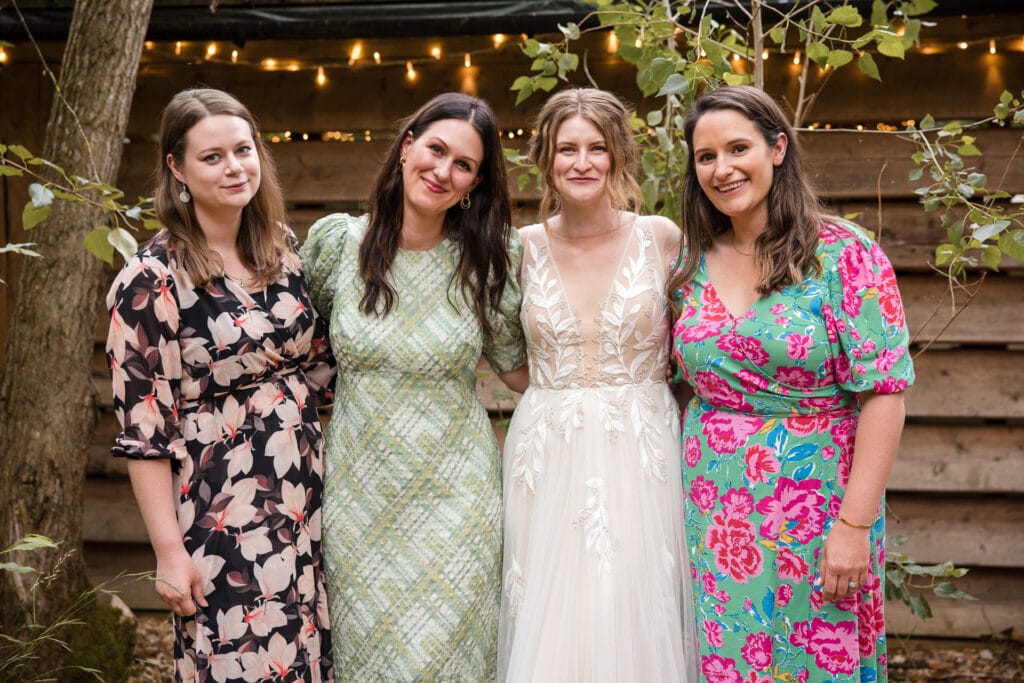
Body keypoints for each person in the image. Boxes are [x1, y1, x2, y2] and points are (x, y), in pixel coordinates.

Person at [669, 84, 914, 682]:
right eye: (706, 157)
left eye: (737, 148)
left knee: (815, 660)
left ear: (777, 148)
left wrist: (854, 526)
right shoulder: (688, 265)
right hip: (712, 511)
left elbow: (884, 393)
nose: (722, 169)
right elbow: (677, 385)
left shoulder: (844, 254)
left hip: (817, 508)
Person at [106, 88, 335, 681]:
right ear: (176, 168)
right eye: (213, 157)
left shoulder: (280, 247)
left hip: (306, 498)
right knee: (244, 660)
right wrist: (167, 551)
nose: (235, 167)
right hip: (224, 507)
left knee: (305, 659)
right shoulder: (151, 278)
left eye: (243, 149)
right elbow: (144, 430)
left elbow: (321, 366)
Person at [300, 92, 528, 681]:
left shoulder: (488, 261)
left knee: (448, 660)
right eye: (435, 149)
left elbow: (517, 368)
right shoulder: (337, 246)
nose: (443, 171)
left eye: (464, 165)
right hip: (360, 498)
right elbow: (298, 350)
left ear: (473, 184)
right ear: (407, 148)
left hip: (459, 498)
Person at [497, 88, 698, 682]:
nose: (581, 162)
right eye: (567, 148)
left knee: (634, 596)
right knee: (553, 607)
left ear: (617, 157)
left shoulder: (660, 238)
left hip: (641, 447)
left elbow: (696, 344)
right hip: (547, 447)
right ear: (546, 158)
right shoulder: (520, 249)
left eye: (596, 148)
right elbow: (505, 354)